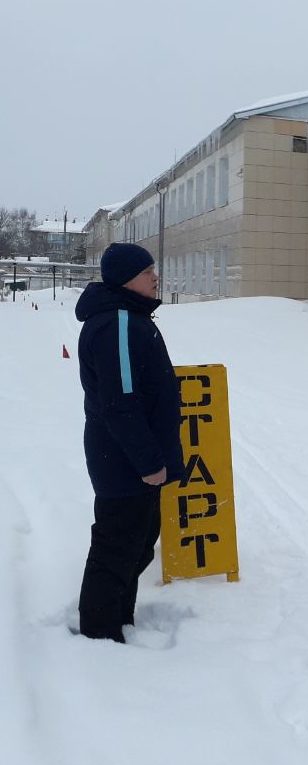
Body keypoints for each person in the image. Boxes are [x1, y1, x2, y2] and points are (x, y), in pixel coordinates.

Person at [75, 243, 183, 643]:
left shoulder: (130, 318)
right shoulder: (117, 323)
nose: (155, 276)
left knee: (135, 548)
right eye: (146, 271)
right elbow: (120, 404)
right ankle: (100, 637)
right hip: (123, 462)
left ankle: (119, 620)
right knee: (117, 549)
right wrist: (149, 463)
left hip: (132, 459)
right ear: (125, 279)